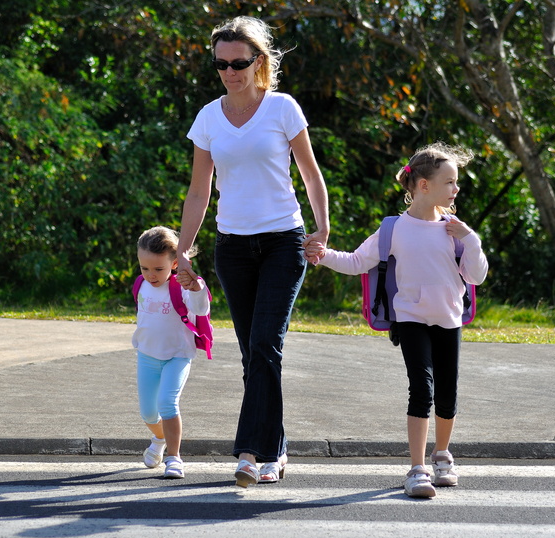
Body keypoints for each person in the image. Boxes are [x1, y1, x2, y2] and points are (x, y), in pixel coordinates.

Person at [176, 16, 329, 488]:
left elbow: (310, 174)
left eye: (239, 62)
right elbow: (199, 191)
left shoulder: (282, 108)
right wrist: (183, 251)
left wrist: (322, 228)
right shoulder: (207, 117)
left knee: (266, 344)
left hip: (285, 241)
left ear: (258, 61)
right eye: (220, 64)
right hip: (233, 248)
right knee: (254, 354)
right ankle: (276, 449)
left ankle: (248, 452)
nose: (229, 71)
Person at [307, 142, 488, 498]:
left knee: (447, 393)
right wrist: (323, 255)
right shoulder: (393, 229)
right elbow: (357, 262)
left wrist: (471, 238)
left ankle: (442, 454)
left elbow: (477, 275)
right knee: (422, 389)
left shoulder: (455, 230)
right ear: (424, 185)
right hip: (410, 319)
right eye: (450, 182)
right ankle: (417, 468)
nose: (456, 189)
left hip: (449, 319)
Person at [133, 226, 210, 480]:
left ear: (175, 263)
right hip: (147, 356)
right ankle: (158, 439)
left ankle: (174, 458)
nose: (150, 275)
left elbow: (201, 310)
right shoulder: (141, 285)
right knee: (147, 413)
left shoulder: (183, 287)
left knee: (167, 403)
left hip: (178, 356)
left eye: (158, 269)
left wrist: (197, 287)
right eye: (144, 268)